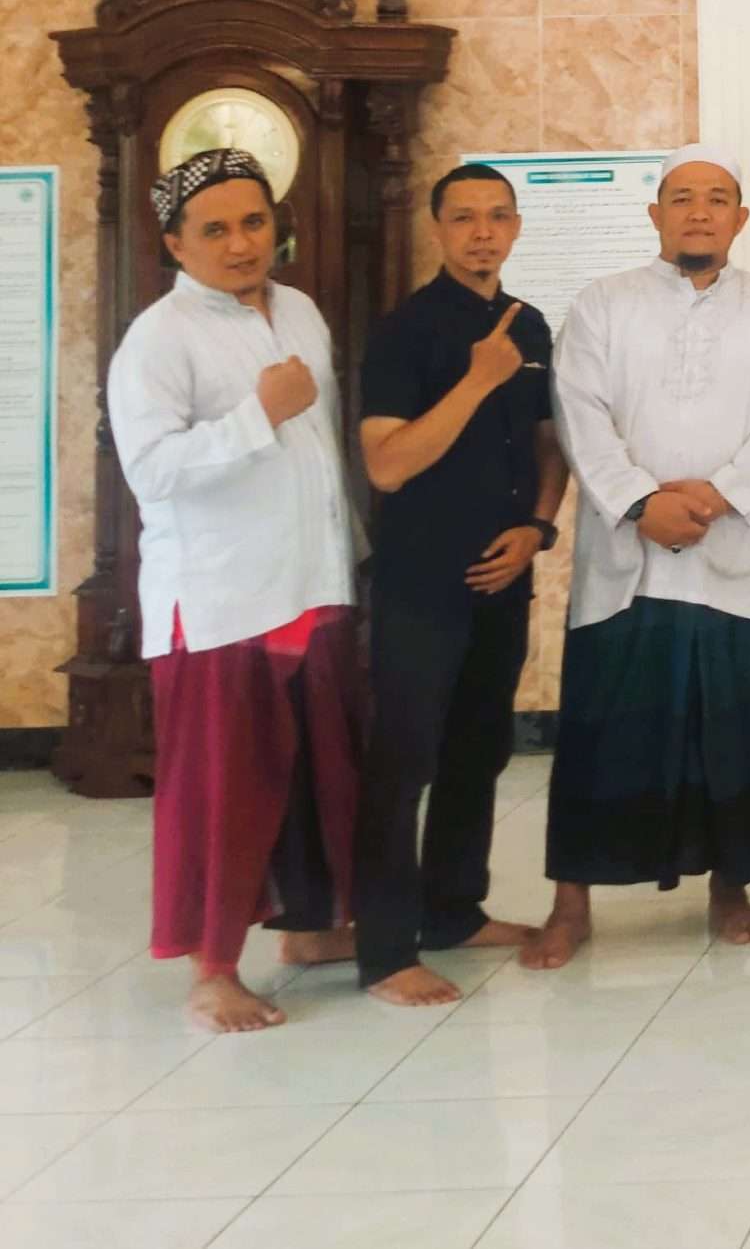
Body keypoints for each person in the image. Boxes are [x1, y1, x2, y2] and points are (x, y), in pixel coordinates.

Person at [527, 143, 750, 967]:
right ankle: (571, 901)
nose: (699, 211)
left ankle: (731, 887)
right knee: (602, 727)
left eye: (717, 198)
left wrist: (719, 495)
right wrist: (639, 503)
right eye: (682, 197)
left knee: (727, 728)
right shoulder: (602, 305)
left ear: (740, 218)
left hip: (733, 555)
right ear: (655, 214)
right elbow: (578, 411)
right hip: (627, 561)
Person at [106, 147, 365, 1031]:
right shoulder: (159, 338)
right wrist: (257, 415)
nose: (239, 242)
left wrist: (348, 554)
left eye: (253, 221)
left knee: (320, 774)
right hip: (220, 602)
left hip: (311, 584)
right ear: (175, 243)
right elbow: (150, 472)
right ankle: (213, 966)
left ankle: (313, 928)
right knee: (224, 785)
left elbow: (320, 450)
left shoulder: (299, 310)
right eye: (214, 229)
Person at [353, 164, 565, 1004]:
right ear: (438, 230)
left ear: (515, 228)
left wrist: (539, 530)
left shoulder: (533, 326)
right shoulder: (405, 333)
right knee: (402, 762)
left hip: (503, 576)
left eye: (498, 217)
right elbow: (387, 463)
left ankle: (453, 911)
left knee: (480, 750)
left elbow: (551, 445)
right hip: (419, 583)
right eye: (465, 218)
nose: (483, 232)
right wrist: (477, 380)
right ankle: (383, 952)